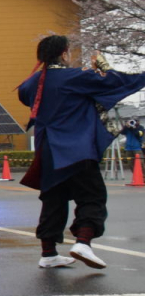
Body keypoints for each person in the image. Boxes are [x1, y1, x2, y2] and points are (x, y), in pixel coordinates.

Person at [17, 36, 145, 269]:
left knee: (53, 199)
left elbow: (25, 95)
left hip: (48, 149)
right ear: (64, 54)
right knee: (92, 195)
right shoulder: (75, 76)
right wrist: (104, 67)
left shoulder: (33, 82)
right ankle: (83, 242)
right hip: (76, 146)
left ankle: (48, 253)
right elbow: (113, 82)